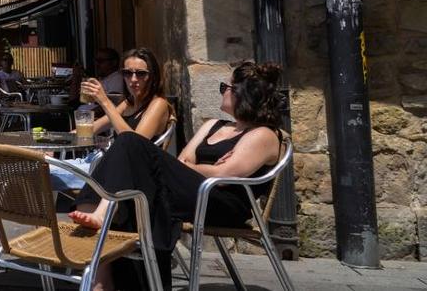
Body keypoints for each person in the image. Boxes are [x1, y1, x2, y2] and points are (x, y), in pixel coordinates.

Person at [68, 62, 286, 291]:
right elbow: (183, 161)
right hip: (191, 192)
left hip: (218, 203)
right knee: (133, 189)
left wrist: (197, 167)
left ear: (244, 95)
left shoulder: (262, 134)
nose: (222, 91)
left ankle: (101, 214)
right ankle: (103, 275)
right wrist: (202, 167)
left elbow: (221, 176)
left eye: (226, 87)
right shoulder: (214, 125)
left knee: (129, 142)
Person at [83, 47, 172, 142]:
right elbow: (92, 129)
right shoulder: (129, 103)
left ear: (153, 76)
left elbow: (135, 143)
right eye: (127, 73)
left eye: (141, 73)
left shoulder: (158, 103)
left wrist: (105, 102)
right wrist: (72, 135)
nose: (133, 79)